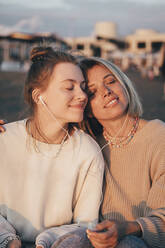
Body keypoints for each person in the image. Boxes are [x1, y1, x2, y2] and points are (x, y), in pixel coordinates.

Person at [0, 48, 104, 248]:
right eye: (69, 87)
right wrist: (8, 241)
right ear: (39, 96)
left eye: (83, 87)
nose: (82, 95)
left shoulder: (87, 151)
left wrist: (46, 242)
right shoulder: (5, 139)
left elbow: (86, 223)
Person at [78, 57, 165, 248]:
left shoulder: (159, 135)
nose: (107, 92)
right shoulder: (87, 145)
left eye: (110, 81)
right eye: (92, 92)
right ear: (86, 109)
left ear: (123, 83)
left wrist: (128, 228)